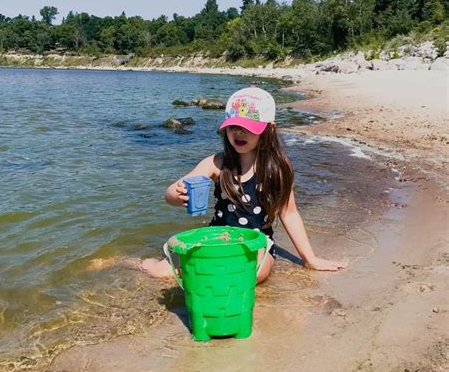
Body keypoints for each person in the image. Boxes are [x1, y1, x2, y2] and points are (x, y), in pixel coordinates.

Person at [116, 86, 346, 283]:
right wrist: (177, 195)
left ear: (269, 129)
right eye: (233, 126)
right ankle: (129, 262)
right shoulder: (217, 163)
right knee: (161, 274)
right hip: (217, 238)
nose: (239, 132)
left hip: (256, 245)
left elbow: (290, 213)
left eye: (248, 128)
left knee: (249, 275)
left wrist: (310, 259)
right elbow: (170, 194)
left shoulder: (277, 169)